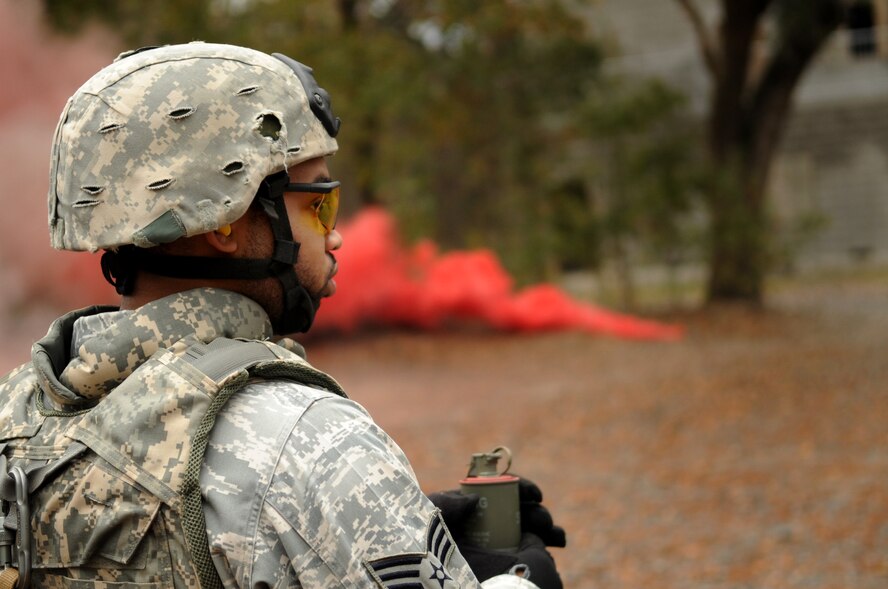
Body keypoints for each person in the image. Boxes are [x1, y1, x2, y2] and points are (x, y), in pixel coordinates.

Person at [0, 42, 564, 588]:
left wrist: (392, 530)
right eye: (319, 203)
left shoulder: (15, 414)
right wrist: (516, 582)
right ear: (224, 220)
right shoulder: (311, 438)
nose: (336, 232)